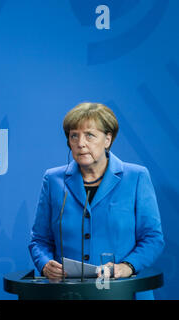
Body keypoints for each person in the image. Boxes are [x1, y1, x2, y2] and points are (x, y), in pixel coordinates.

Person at [29, 102, 164, 299]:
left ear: (108, 139)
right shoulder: (53, 180)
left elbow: (153, 237)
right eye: (74, 135)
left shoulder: (136, 177)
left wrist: (127, 266)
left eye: (89, 135)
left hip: (123, 292)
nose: (80, 143)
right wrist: (45, 264)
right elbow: (39, 239)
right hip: (67, 294)